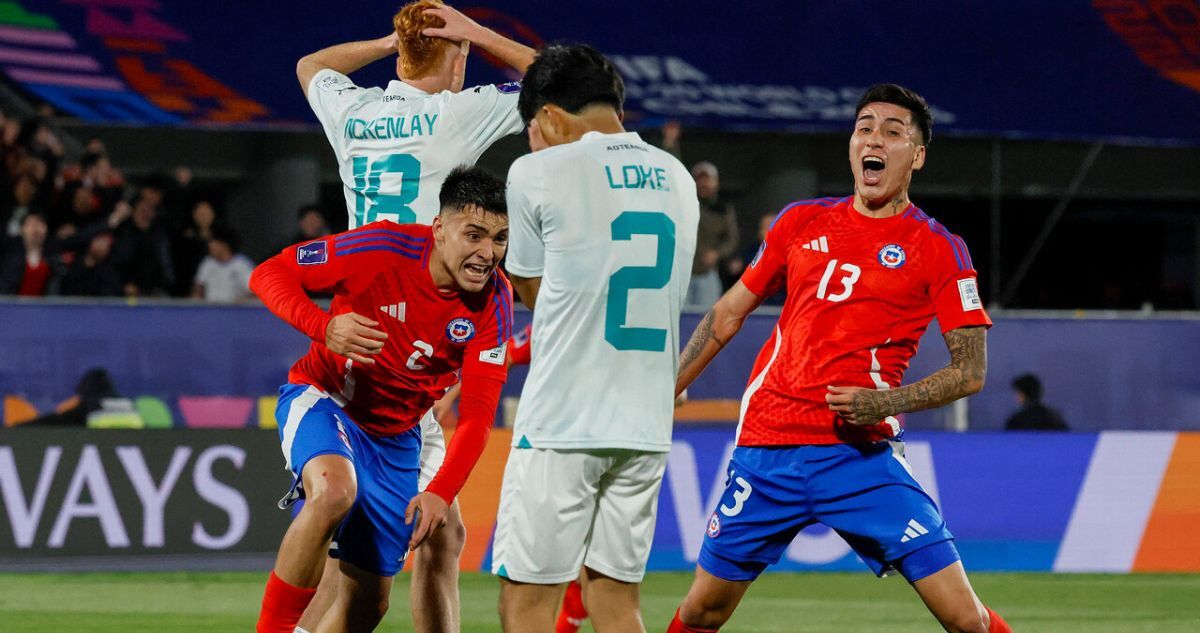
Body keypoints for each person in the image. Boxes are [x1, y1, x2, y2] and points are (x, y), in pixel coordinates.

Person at [666, 84, 1012, 633]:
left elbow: (970, 372)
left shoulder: (939, 248)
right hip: (767, 449)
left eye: (892, 132)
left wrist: (885, 403)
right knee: (701, 609)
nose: (873, 139)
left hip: (859, 457)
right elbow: (727, 314)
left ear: (917, 156)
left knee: (965, 618)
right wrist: (665, 388)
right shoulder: (800, 221)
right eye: (864, 128)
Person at [295, 3, 535, 631]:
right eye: (463, 55)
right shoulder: (457, 113)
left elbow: (311, 65)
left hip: (361, 321)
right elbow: (561, 82)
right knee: (370, 555)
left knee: (438, 530)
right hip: (413, 334)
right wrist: (473, 33)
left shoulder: (355, 113)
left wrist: (390, 43)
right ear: (456, 61)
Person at [250, 166, 514, 633]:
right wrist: (323, 327)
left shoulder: (495, 301)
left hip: (397, 438)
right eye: (473, 235)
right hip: (327, 400)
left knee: (368, 605)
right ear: (439, 229)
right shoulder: (382, 247)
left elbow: (477, 413)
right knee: (334, 492)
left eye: (499, 239)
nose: (487, 253)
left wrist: (440, 492)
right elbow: (270, 273)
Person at [494, 44, 699, 633]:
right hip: (645, 426)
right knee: (615, 602)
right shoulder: (679, 177)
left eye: (533, 128)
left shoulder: (536, 171)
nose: (533, 140)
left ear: (550, 116)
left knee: (526, 604)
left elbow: (532, 290)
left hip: (564, 423)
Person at [686, 161, 738, 308]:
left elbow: (732, 239)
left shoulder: (723, 209)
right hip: (683, 273)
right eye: (699, 180)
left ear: (716, 183)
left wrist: (717, 253)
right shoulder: (684, 205)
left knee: (707, 318)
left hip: (708, 274)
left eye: (707, 180)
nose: (703, 184)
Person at [192, 225, 255, 303]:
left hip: (234, 308)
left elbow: (254, 292)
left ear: (224, 245)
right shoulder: (207, 263)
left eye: (213, 242)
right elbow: (199, 287)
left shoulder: (242, 265)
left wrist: (242, 302)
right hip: (210, 308)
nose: (209, 245)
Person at [0, 212, 53, 295]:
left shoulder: (54, 257)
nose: (35, 229)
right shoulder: (9, 258)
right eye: (31, 225)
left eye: (40, 224)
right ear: (22, 229)